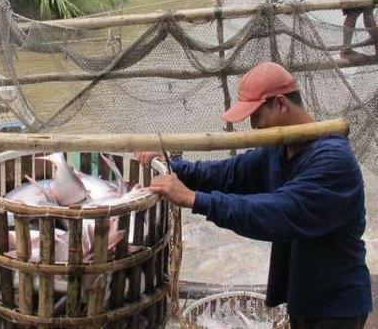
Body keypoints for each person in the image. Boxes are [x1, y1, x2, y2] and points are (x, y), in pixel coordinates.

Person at [136, 62, 371, 329]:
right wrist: (172, 167)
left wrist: (194, 199)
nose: (253, 125)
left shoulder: (333, 161)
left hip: (337, 302)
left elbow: (278, 211)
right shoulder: (279, 151)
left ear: (281, 104)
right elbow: (228, 173)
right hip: (301, 295)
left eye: (257, 115)